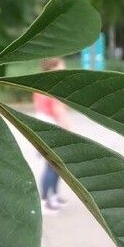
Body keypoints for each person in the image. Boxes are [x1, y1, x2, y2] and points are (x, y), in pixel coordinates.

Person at [32, 58, 72, 215]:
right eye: (61, 68)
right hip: (52, 128)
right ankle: (44, 201)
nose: (64, 70)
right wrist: (68, 128)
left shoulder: (41, 85)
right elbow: (58, 110)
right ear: (52, 68)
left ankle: (53, 197)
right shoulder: (53, 86)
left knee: (55, 166)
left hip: (43, 128)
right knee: (52, 166)